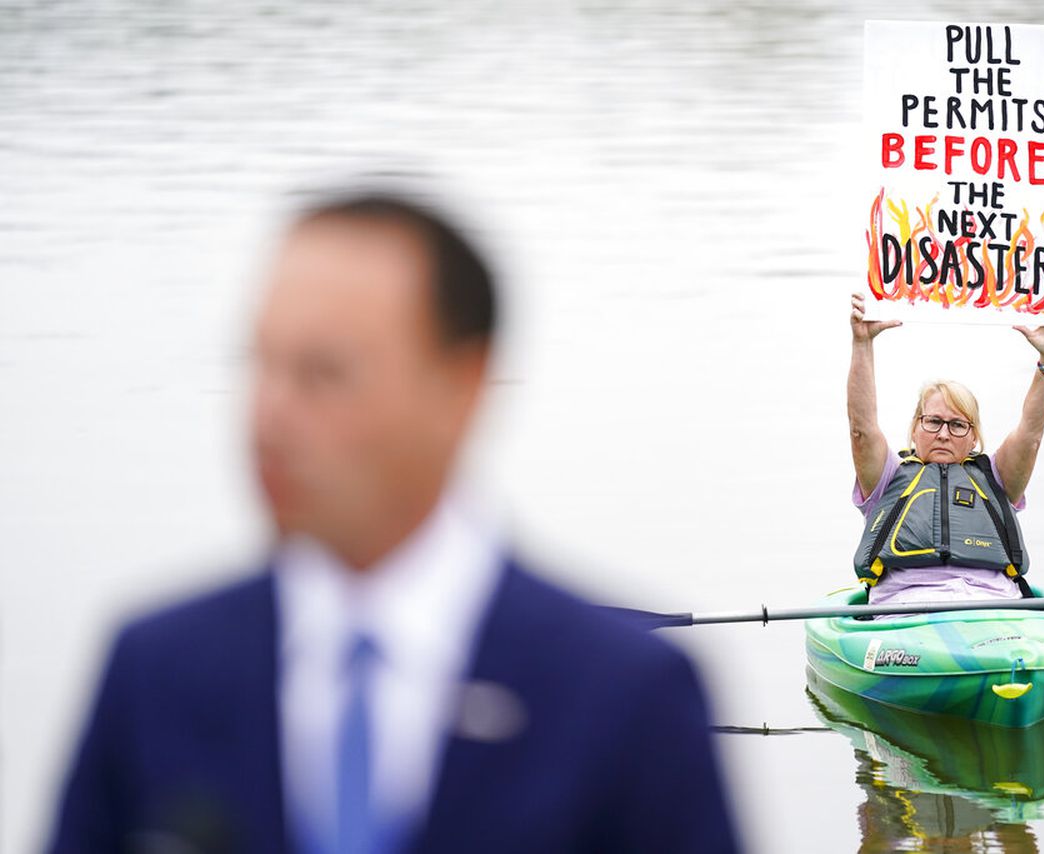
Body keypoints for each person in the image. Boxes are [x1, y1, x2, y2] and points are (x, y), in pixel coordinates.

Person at [46, 191, 740, 854]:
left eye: (324, 373)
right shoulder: (151, 670)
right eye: (262, 364)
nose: (269, 418)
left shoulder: (626, 699)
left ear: (461, 388)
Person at [845, 291, 1044, 607]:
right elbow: (861, 430)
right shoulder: (887, 476)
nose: (943, 434)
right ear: (914, 428)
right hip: (905, 606)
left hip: (993, 603)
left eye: (957, 425)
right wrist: (862, 344)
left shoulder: (996, 476)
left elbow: (1031, 433)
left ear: (974, 437)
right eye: (933, 421)